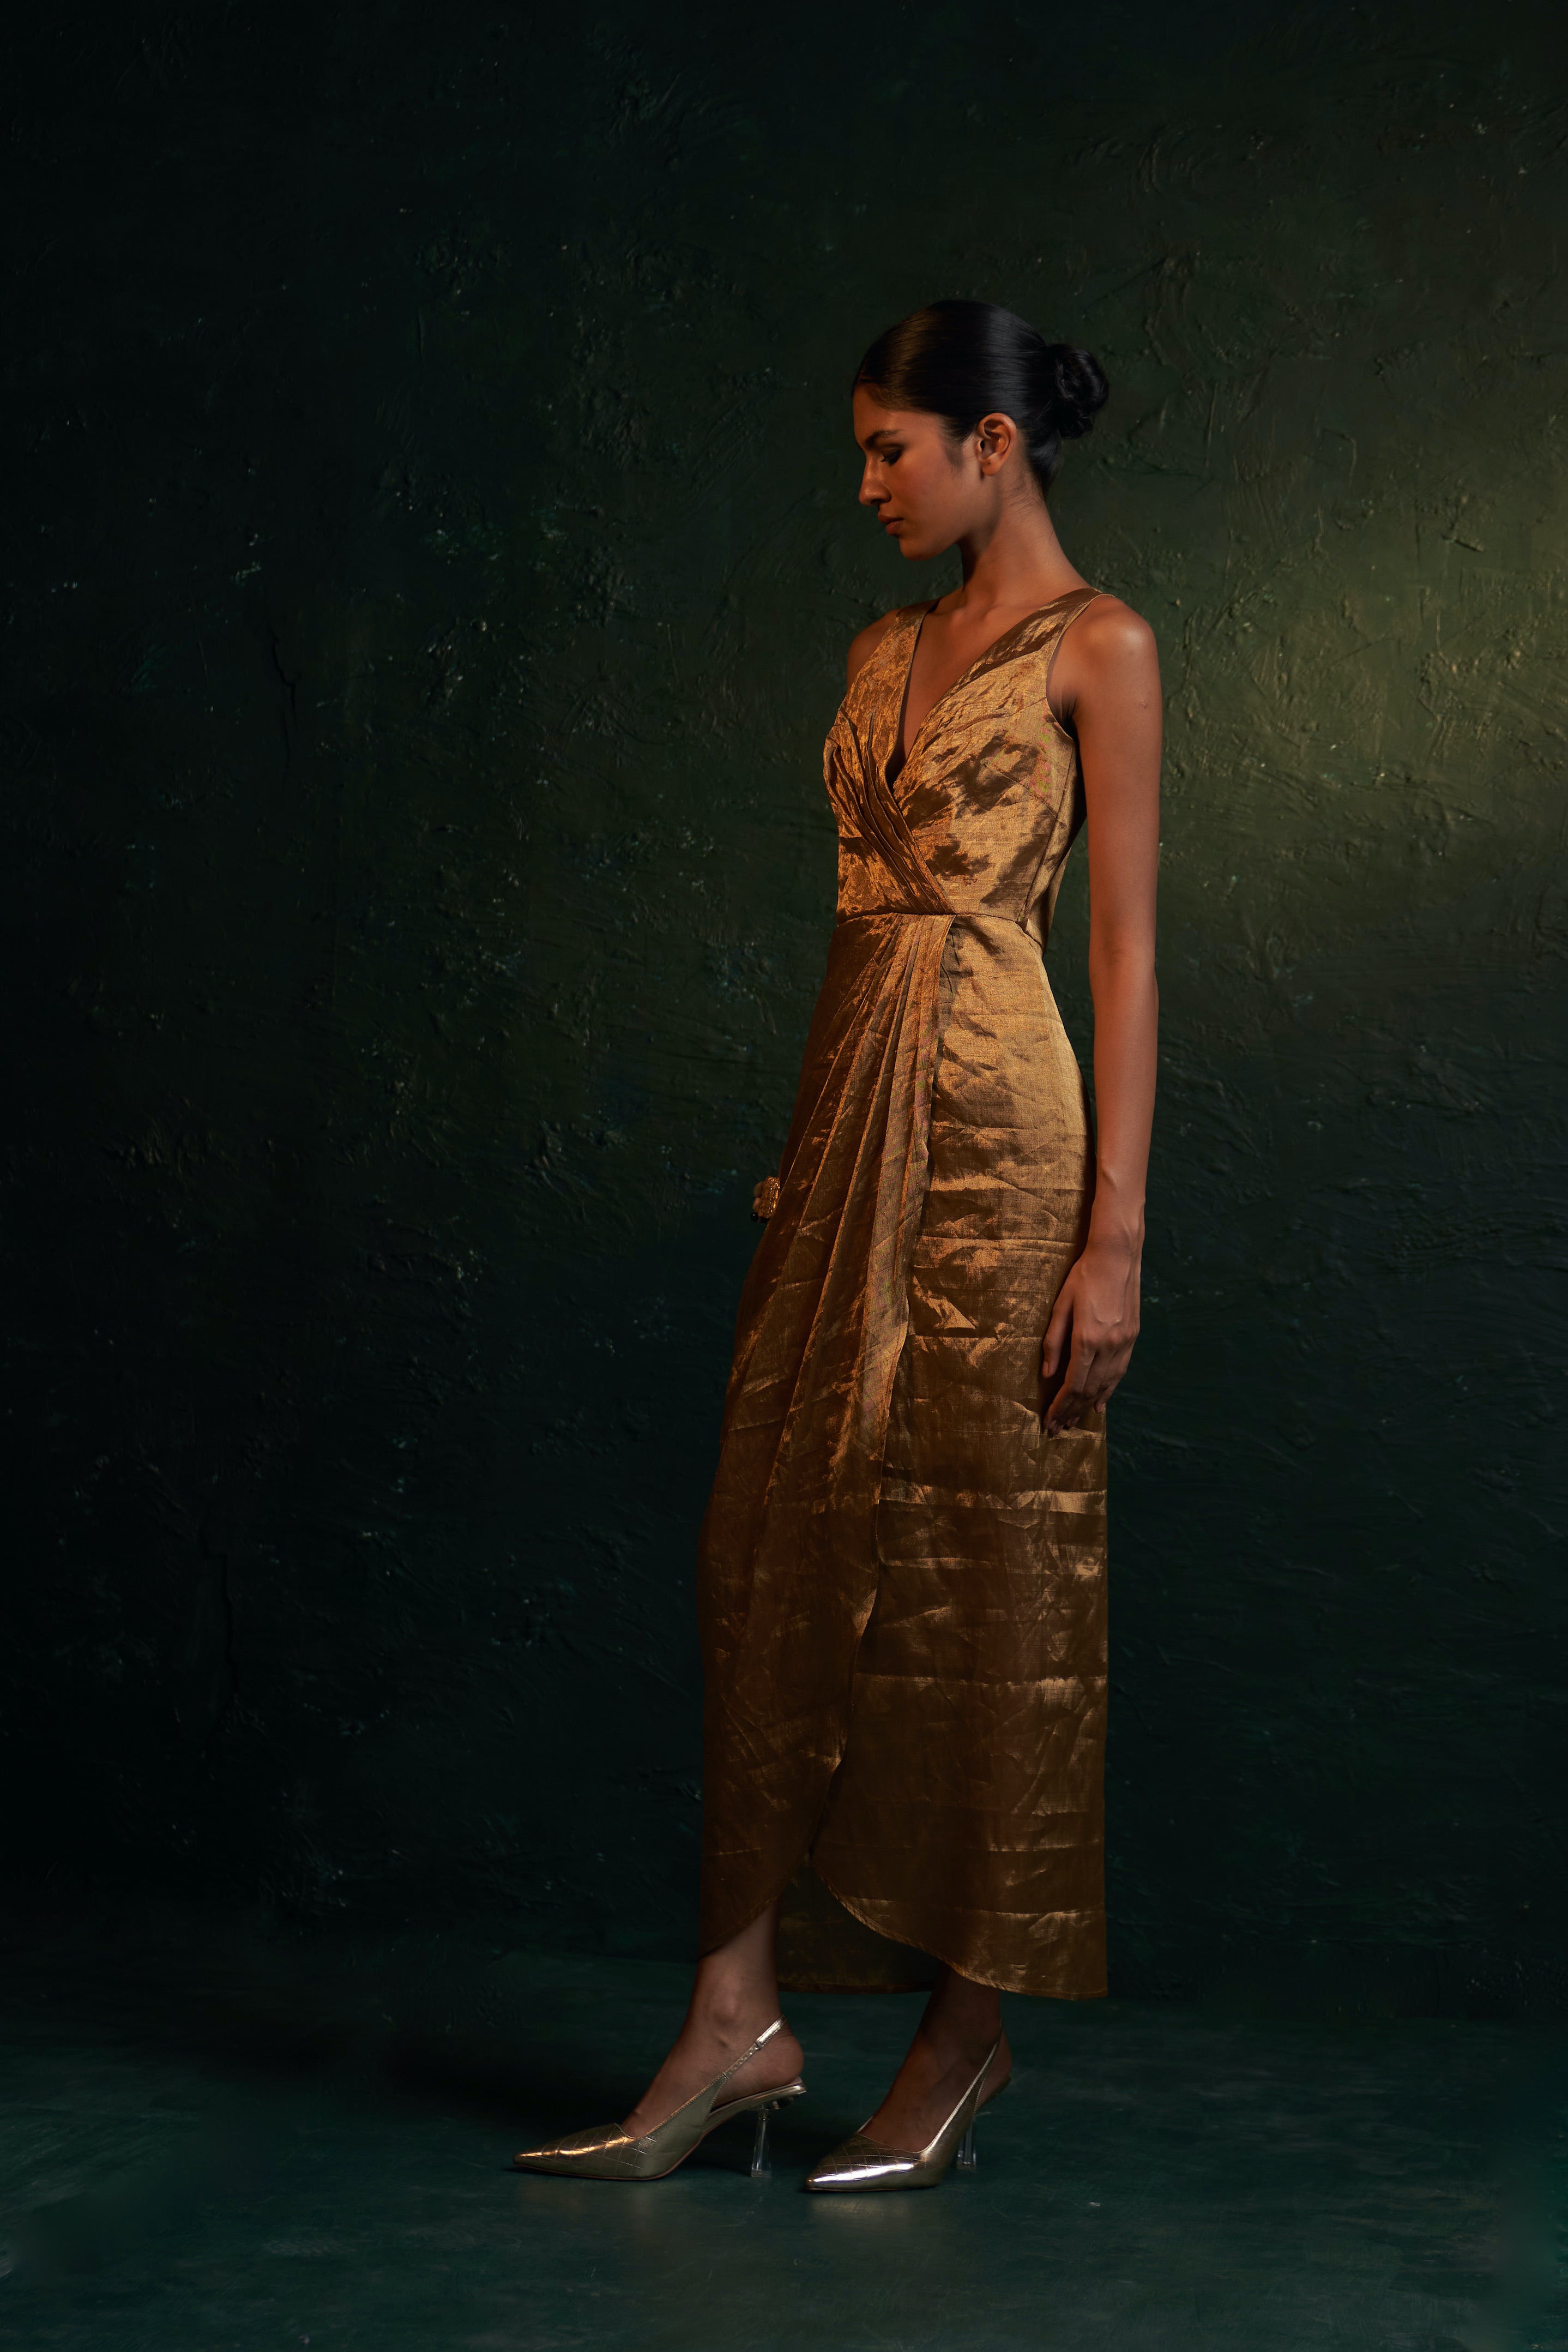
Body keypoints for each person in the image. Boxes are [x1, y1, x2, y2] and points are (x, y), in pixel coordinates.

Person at [515, 299, 1161, 2189]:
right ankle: (734, 2019)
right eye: (864, 451)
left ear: (991, 444)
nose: (869, 483)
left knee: (995, 1563)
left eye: (892, 448)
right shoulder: (881, 646)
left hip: (1005, 1136)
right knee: (766, 1535)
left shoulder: (1101, 647)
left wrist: (1114, 1233)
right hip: (845, 1117)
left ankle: (963, 2035)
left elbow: (1124, 949)